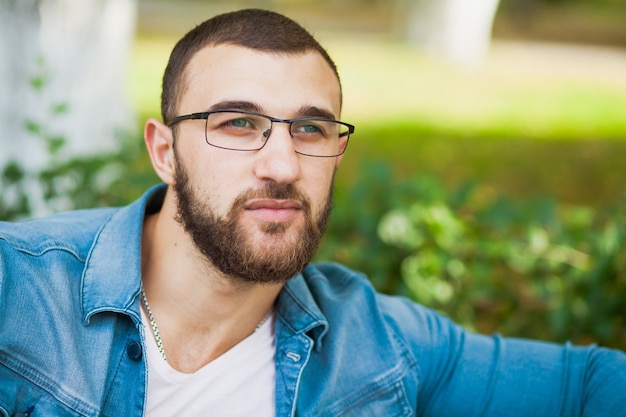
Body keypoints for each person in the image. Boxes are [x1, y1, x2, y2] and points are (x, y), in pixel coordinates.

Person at [0, 8, 624, 417]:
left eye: (309, 128)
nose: (282, 165)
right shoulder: (19, 291)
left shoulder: (378, 345)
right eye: (239, 124)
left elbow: (591, 385)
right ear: (165, 151)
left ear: (337, 151)